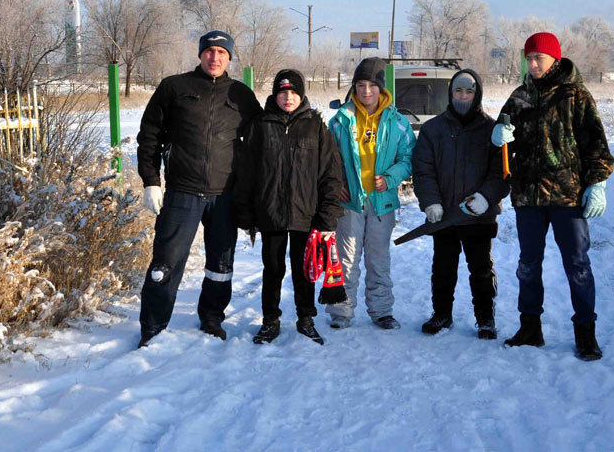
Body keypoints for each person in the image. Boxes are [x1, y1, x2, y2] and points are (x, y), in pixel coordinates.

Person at [492, 32, 613, 361]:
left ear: (554, 60)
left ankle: (585, 333)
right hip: (528, 199)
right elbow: (505, 143)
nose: (532, 64)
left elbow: (596, 145)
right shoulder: (519, 97)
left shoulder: (576, 95)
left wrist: (597, 183)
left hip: (566, 198)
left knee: (578, 266)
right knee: (528, 265)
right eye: (528, 58)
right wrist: (500, 136)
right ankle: (530, 327)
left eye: (538, 58)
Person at [136, 30, 262, 348]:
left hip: (225, 195)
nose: (215, 57)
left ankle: (211, 318)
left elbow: (264, 140)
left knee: (220, 264)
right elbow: (149, 134)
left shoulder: (241, 95)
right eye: (209, 51)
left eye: (222, 52)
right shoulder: (174, 88)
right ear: (200, 54)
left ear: (230, 57)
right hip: (182, 192)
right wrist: (151, 180)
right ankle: (153, 326)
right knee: (165, 262)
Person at [233, 69, 344, 345]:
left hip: (305, 216)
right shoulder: (260, 125)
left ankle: (306, 319)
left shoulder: (316, 126)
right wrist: (246, 211)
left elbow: (331, 174)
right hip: (270, 214)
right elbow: (247, 171)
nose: (288, 97)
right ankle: (270, 321)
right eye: (283, 92)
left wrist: (327, 215)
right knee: (272, 270)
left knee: (304, 270)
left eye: (294, 92)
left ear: (302, 94)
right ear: (275, 94)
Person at [412, 69, 510, 340]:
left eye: (469, 91)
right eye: (458, 90)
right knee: (442, 269)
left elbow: (502, 173)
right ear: (450, 92)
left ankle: (485, 319)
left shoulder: (492, 131)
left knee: (480, 270)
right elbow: (423, 170)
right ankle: (441, 314)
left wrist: (487, 197)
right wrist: (431, 202)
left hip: (479, 217)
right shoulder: (433, 129)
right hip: (444, 216)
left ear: (477, 93)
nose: (463, 96)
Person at [326, 57, 416, 330]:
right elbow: (329, 159)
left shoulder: (397, 122)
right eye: (361, 85)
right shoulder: (341, 121)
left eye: (372, 86)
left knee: (378, 260)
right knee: (346, 260)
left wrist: (390, 179)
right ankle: (342, 311)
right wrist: (336, 182)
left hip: (382, 203)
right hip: (350, 202)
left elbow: (408, 158)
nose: (366, 91)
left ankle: (381, 311)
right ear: (354, 87)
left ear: (382, 89)